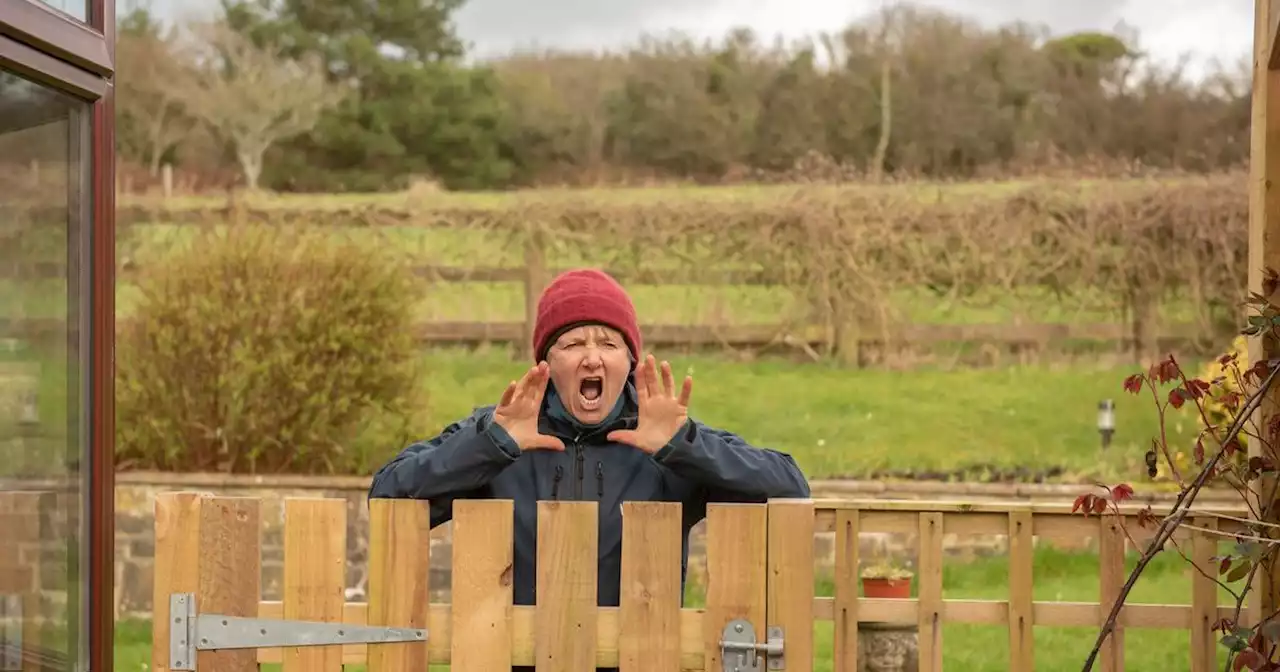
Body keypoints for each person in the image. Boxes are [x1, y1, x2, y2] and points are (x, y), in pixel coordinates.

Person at [367, 268, 811, 653]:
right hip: (512, 657)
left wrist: (686, 447)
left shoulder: (668, 441)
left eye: (609, 343)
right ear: (546, 363)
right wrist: (491, 446)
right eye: (573, 343)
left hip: (642, 658)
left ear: (630, 360)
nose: (593, 356)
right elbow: (387, 496)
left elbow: (790, 489)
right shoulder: (499, 432)